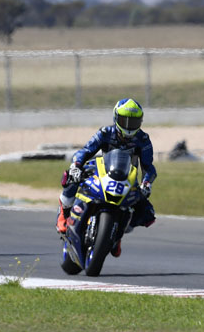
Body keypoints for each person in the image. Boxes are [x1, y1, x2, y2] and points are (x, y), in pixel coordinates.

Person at [56, 98, 157, 256]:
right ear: (116, 118)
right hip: (101, 172)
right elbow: (85, 151)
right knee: (72, 177)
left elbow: (149, 167)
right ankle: (64, 212)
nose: (129, 127)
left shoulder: (143, 140)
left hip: (127, 180)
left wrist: (146, 184)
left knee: (147, 213)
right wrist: (76, 166)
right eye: (125, 121)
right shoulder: (105, 133)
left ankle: (118, 234)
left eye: (133, 122)